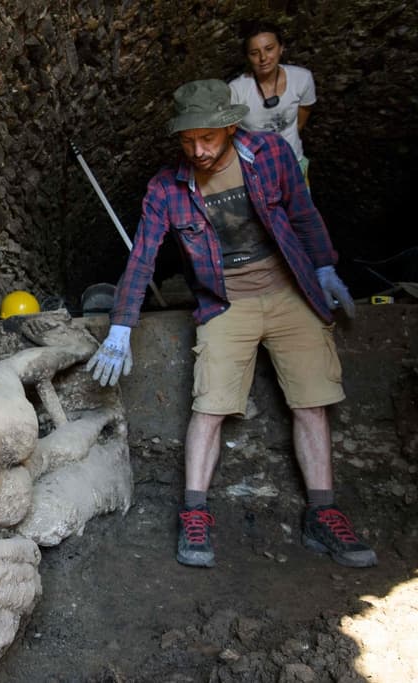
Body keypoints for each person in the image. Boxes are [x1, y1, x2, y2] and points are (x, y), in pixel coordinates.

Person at [86, 79, 376, 569]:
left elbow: (303, 214)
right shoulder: (166, 187)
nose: (197, 150)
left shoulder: (270, 154)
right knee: (210, 405)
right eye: (187, 140)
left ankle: (322, 515)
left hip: (289, 292)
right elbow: (143, 257)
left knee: (312, 403)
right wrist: (121, 326)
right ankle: (194, 514)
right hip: (225, 302)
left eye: (208, 138)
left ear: (229, 126)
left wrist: (323, 265)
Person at [228, 21, 316, 182]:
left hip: (293, 161)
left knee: (300, 206)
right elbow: (229, 133)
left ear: (281, 48)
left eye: (269, 49)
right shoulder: (236, 90)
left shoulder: (302, 79)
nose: (263, 58)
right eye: (254, 53)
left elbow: (302, 118)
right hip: (256, 169)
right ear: (247, 57)